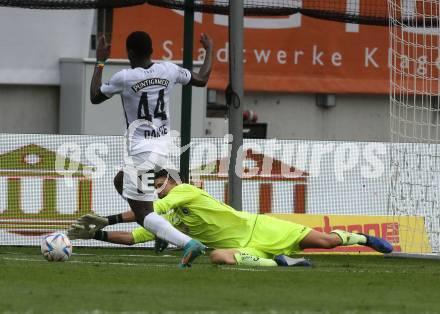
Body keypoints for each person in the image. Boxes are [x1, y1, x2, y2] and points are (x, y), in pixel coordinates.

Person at [69, 169, 393, 268]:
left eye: (158, 182)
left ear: (171, 181)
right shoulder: (173, 221)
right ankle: (280, 263)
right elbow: (137, 234)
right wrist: (94, 235)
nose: (155, 188)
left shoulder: (185, 191)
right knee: (218, 256)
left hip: (261, 227)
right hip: (243, 247)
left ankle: (366, 240)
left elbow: (146, 213)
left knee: (325, 241)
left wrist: (106, 218)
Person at [89, 31, 213, 267]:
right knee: (120, 182)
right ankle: (161, 231)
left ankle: (186, 242)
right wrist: (210, 50)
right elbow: (202, 79)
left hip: (142, 151)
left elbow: (95, 96)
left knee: (144, 214)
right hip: (162, 148)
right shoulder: (169, 70)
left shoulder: (125, 77)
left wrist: (101, 61)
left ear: (130, 53)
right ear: (152, 51)